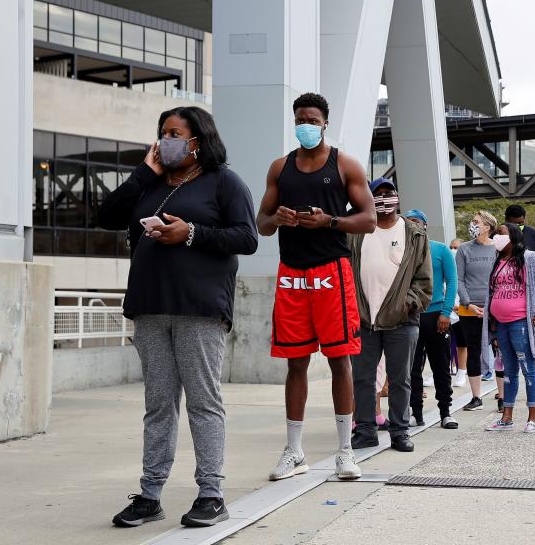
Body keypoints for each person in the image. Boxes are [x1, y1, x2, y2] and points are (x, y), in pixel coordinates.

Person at [100, 107, 258, 528]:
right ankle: (150, 494)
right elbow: (107, 216)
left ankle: (211, 493)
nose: (165, 140)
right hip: (150, 306)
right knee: (158, 405)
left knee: (204, 403)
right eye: (161, 133)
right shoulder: (149, 184)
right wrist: (144, 172)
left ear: (198, 140)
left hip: (199, 309)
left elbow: (247, 238)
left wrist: (188, 233)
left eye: (174, 133)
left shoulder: (224, 182)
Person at [257, 92, 376, 482]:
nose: (305, 125)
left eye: (312, 119)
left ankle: (345, 452)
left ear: (325, 122)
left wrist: (328, 221)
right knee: (296, 363)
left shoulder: (344, 164)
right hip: (292, 272)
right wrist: (279, 217)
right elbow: (261, 223)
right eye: (299, 120)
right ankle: (294, 451)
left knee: (340, 359)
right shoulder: (280, 167)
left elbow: (369, 220)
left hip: (332, 270)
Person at [348, 179, 432, 452]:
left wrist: (408, 304)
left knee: (400, 379)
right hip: (363, 319)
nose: (384, 199)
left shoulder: (414, 233)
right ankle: (365, 430)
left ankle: (399, 432)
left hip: (402, 321)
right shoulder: (357, 230)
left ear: (398, 197)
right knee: (362, 379)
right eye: (377, 195)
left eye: (389, 194)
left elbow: (423, 280)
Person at [483, 223, 535, 432]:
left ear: (514, 236)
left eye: (502, 233)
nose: (497, 237)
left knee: (528, 369)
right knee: (508, 371)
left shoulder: (531, 258)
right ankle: (506, 417)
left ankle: (532, 418)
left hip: (522, 323)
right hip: (501, 324)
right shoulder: (497, 261)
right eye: (496, 233)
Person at [404, 209, 459, 430]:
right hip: (411, 316)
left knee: (441, 367)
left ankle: (446, 412)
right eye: (408, 222)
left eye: (416, 221)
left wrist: (446, 313)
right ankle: (416, 412)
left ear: (425, 224)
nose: (412, 225)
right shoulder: (402, 251)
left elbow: (452, 281)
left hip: (437, 316)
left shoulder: (440, 249)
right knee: (412, 369)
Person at [455, 211, 499, 411]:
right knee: (474, 351)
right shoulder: (464, 249)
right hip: (469, 309)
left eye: (476, 222)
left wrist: (495, 305)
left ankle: (503, 397)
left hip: (496, 309)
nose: (472, 225)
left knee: (500, 351)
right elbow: (459, 279)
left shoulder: (499, 249)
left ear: (488, 227)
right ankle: (476, 396)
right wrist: (467, 303)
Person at [448, 239, 467, 384]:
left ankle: (462, 371)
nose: (453, 250)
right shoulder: (446, 265)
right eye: (451, 247)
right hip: (446, 312)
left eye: (456, 247)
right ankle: (448, 370)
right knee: (444, 344)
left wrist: (460, 307)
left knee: (462, 343)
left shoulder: (465, 268)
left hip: (461, 313)